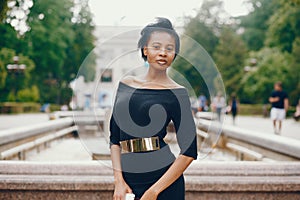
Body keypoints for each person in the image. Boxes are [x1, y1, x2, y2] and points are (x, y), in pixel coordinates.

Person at [109, 17, 197, 200]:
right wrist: (118, 181)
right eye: (156, 46)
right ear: (145, 50)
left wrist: (154, 192)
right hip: (128, 180)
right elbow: (114, 139)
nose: (163, 53)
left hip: (163, 182)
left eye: (169, 49)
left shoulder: (178, 93)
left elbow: (189, 152)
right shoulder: (125, 84)